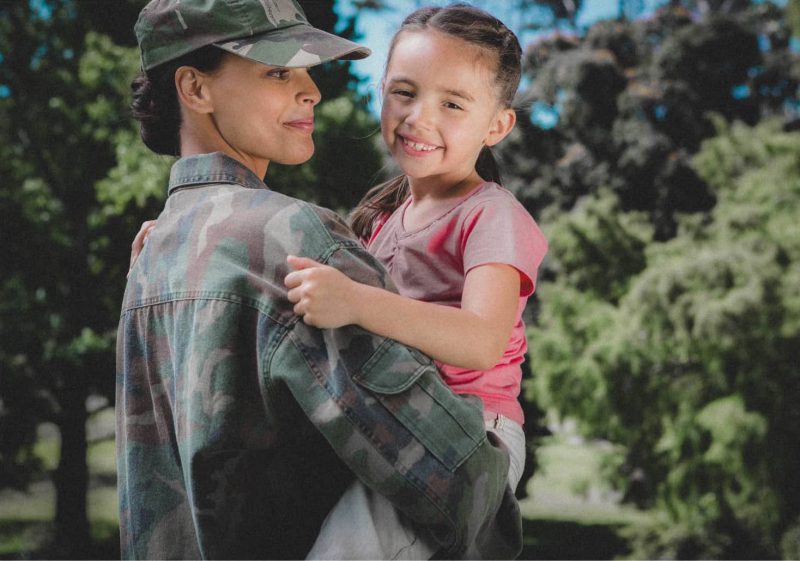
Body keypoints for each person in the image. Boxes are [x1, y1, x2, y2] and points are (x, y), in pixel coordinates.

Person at [117, 0, 521, 559]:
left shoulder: (153, 252)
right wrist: (493, 509)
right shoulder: (291, 235)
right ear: (196, 88)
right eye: (278, 71)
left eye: (308, 72)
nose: (312, 91)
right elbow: (454, 474)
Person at [281, 5, 548, 559]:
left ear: (497, 125)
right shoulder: (379, 217)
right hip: (393, 414)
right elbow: (298, 272)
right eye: (404, 92)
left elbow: (479, 342)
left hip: (470, 427)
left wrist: (356, 300)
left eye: (452, 103)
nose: (418, 117)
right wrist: (184, 231)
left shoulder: (491, 214)